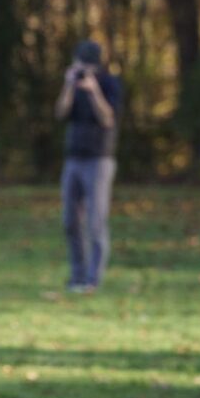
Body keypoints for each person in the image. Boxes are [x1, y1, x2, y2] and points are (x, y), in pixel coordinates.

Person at [55, 39, 122, 293]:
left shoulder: (109, 84)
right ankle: (78, 275)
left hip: (99, 159)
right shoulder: (74, 85)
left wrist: (94, 91)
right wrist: (68, 85)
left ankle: (93, 279)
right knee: (70, 220)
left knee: (95, 221)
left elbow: (108, 119)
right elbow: (60, 113)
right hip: (73, 158)